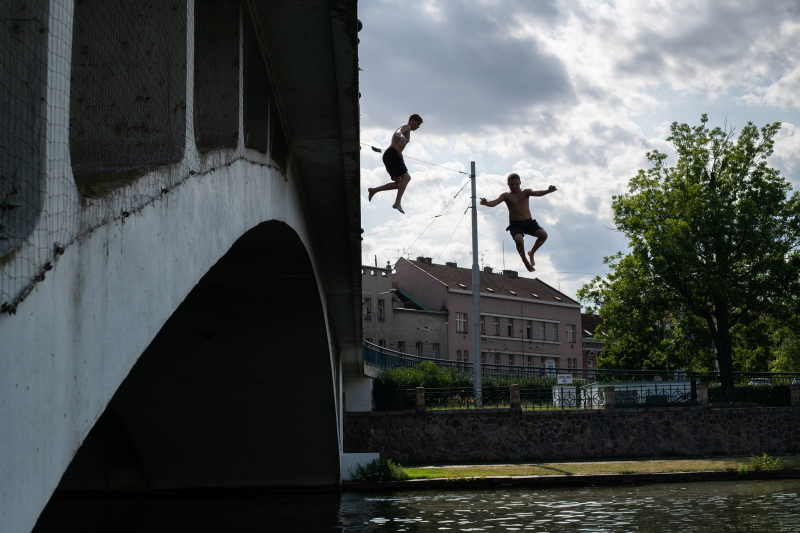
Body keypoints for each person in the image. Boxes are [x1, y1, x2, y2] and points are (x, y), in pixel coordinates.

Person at [480, 173, 557, 272]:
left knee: (543, 235)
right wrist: (486, 203)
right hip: (515, 224)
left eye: (516, 184)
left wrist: (548, 191)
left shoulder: (525, 192)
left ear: (520, 183)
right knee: (518, 239)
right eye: (512, 185)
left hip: (529, 222)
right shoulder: (506, 196)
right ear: (508, 185)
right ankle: (524, 260)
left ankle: (531, 253)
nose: (515, 186)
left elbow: (537, 193)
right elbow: (494, 203)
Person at [367, 114, 423, 214]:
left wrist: (402, 162)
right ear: (412, 121)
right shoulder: (407, 126)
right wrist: (401, 136)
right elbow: (398, 132)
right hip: (391, 154)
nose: (418, 127)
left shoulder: (408, 130)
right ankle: (397, 203)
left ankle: (374, 190)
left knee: (399, 183)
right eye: (418, 124)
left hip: (391, 156)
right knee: (407, 178)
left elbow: (400, 151)